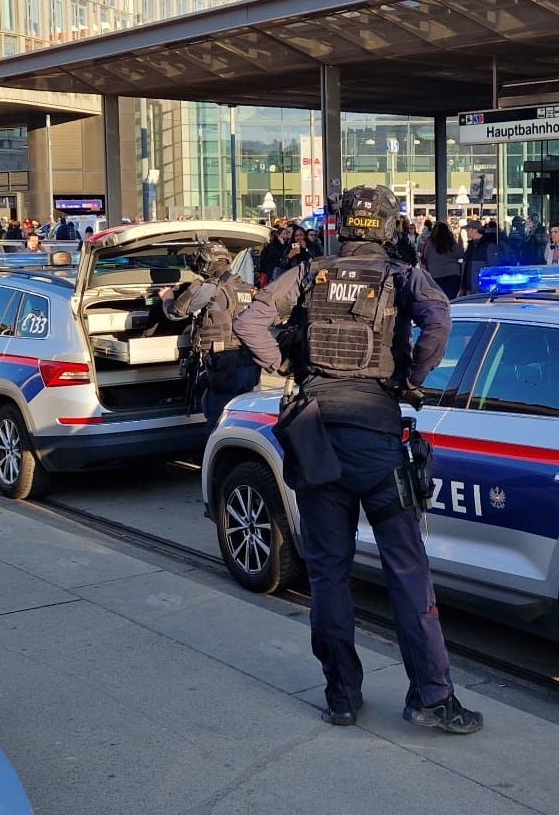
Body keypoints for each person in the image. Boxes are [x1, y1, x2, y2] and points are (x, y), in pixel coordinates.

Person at [233, 184, 483, 735]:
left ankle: (343, 697)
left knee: (328, 574)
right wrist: (411, 378)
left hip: (316, 434)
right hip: (377, 436)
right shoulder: (400, 276)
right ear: (391, 226)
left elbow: (248, 322)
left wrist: (291, 368)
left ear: (340, 225)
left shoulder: (309, 273)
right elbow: (439, 320)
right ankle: (432, 698)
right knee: (407, 571)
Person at [159, 242, 259, 426]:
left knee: (217, 418)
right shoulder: (245, 287)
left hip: (223, 365)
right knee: (242, 417)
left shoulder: (210, 287)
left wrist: (167, 298)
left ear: (205, 262)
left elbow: (175, 312)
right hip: (248, 362)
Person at [422, 220, 463, 299]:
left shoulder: (430, 242)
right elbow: (460, 253)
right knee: (451, 299)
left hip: (435, 274)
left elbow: (425, 256)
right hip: (452, 273)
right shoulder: (451, 242)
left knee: (439, 299)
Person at [460, 218, 497, 295]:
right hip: (470, 291)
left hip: (482, 292)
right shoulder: (471, 246)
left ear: (474, 230)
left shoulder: (488, 246)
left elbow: (494, 268)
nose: (466, 232)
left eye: (468, 229)